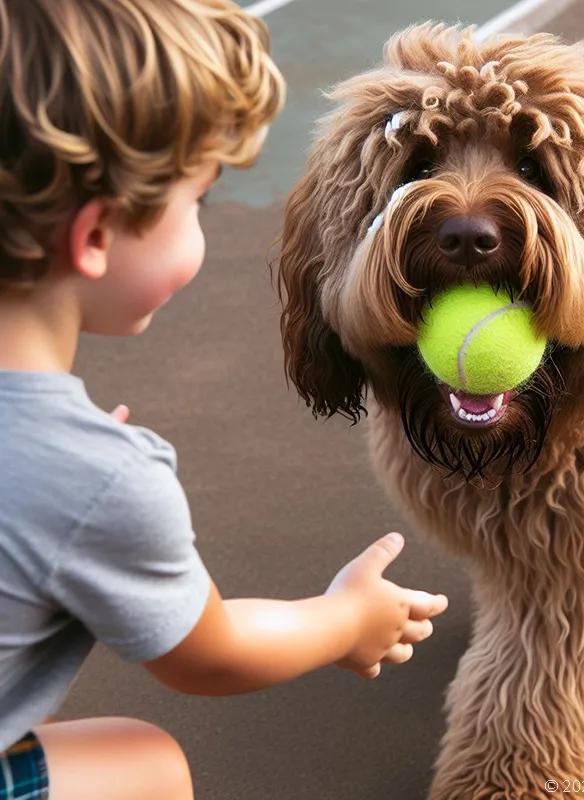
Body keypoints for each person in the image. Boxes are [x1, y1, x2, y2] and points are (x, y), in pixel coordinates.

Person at [0, 1, 449, 798]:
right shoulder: (104, 483)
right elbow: (210, 654)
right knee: (146, 766)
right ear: (96, 236)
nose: (201, 220)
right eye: (196, 201)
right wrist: (347, 620)